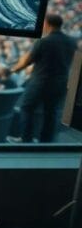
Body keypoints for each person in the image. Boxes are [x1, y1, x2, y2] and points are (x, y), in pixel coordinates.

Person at [13, 14, 78, 143]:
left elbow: (27, 61)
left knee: (26, 108)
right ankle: (46, 142)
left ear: (47, 24)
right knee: (51, 112)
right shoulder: (71, 42)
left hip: (41, 82)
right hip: (60, 83)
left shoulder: (44, 41)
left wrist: (15, 70)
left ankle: (26, 139)